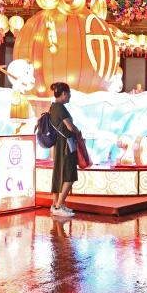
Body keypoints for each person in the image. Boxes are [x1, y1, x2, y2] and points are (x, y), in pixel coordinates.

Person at [48, 82, 79, 218]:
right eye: (69, 94)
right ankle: (59, 206)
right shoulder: (60, 107)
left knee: (58, 173)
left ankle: (55, 204)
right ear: (64, 94)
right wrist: (78, 132)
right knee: (70, 174)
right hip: (66, 144)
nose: (70, 96)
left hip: (59, 144)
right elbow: (70, 127)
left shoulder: (53, 107)